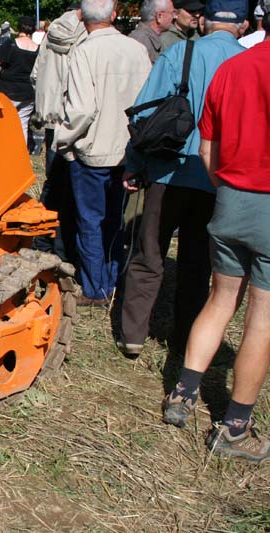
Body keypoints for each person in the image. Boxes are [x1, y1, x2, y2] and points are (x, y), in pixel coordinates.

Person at [162, 1, 270, 462]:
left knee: (221, 299)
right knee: (262, 318)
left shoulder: (235, 66)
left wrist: (227, 188)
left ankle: (181, 395)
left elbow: (209, 147)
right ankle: (235, 429)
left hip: (229, 198)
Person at [117, 0, 247, 359]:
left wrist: (134, 163)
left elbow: (146, 110)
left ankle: (133, 334)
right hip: (217, 176)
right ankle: (187, 337)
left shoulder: (180, 53)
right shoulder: (247, 63)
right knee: (198, 262)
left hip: (167, 169)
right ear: (245, 23)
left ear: (204, 20)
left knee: (149, 252)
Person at [54, 0, 151, 306]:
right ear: (113, 14)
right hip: (129, 150)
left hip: (93, 151)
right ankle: (110, 279)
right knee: (114, 219)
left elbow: (81, 108)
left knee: (90, 221)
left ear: (82, 17)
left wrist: (63, 140)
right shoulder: (136, 49)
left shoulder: (85, 51)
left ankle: (96, 288)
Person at [30, 4, 88, 264]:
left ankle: (41, 241)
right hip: (74, 120)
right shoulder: (87, 34)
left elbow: (35, 75)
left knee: (52, 184)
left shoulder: (51, 32)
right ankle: (63, 251)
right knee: (71, 188)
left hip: (52, 119)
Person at [0, 16, 39, 144]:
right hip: (28, 92)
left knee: (2, 121)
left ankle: (1, 148)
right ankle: (21, 152)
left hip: (8, 90)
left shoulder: (11, 44)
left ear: (18, 28)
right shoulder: (38, 49)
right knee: (22, 124)